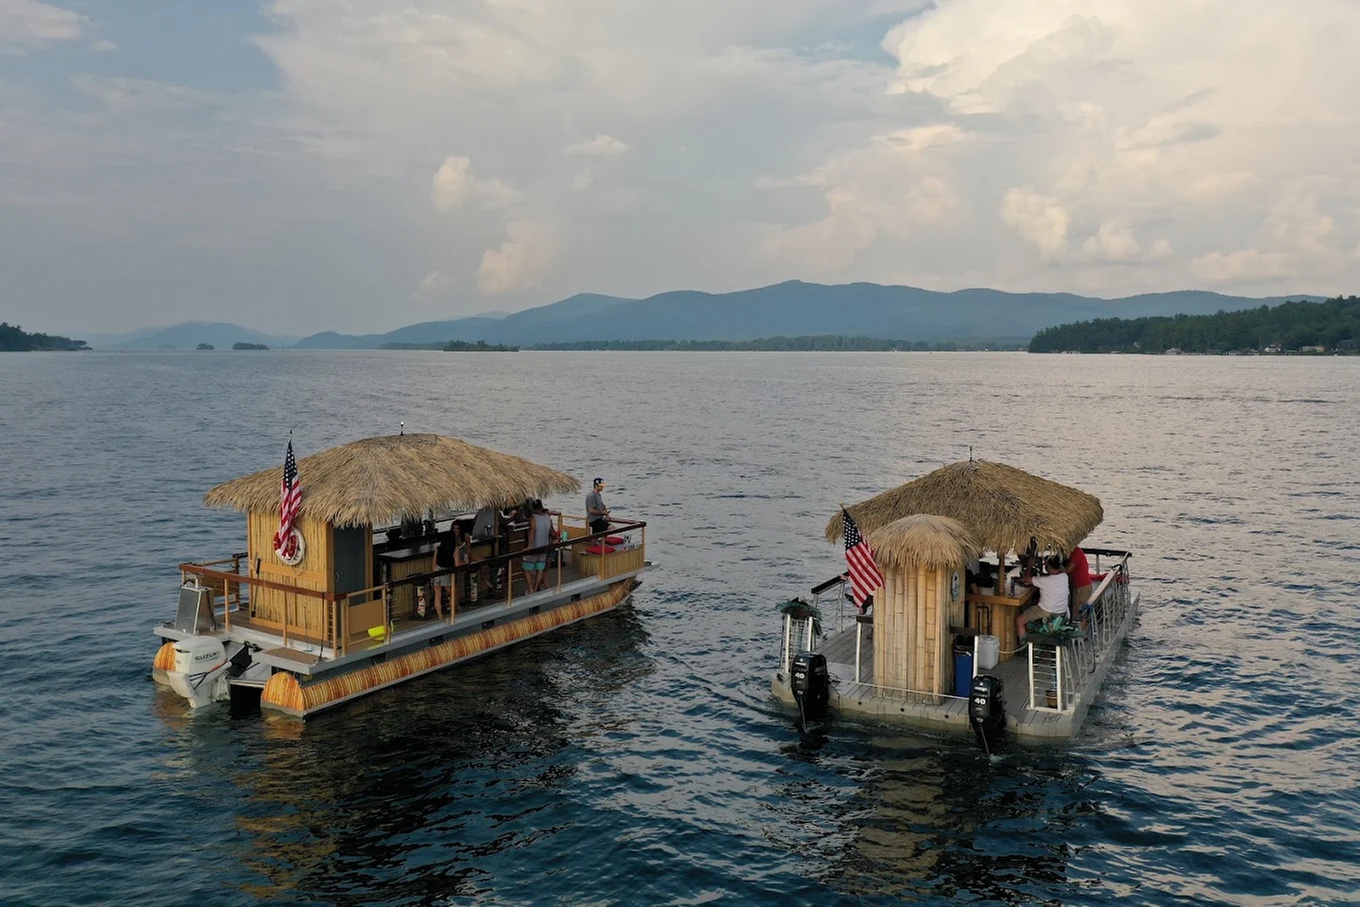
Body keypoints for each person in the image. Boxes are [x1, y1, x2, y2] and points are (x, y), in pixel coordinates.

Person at [1014, 554, 1071, 644]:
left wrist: (1029, 566)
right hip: (1061, 613)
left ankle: (1023, 645)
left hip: (1046, 611)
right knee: (1034, 605)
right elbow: (1055, 574)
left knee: (1019, 620)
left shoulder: (1045, 581)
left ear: (1047, 566)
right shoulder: (1064, 577)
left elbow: (1026, 579)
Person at [522, 500, 557, 593]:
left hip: (535, 547)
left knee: (526, 568)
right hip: (544, 547)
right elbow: (552, 533)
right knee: (540, 569)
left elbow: (532, 531)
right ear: (541, 507)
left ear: (533, 508)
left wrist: (529, 546)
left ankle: (530, 589)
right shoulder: (547, 518)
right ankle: (535, 588)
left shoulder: (533, 518)